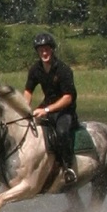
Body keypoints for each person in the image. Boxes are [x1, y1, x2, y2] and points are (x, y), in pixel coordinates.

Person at [24, 32, 79, 184]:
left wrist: (46, 110)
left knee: (61, 132)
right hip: (46, 106)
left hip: (65, 111)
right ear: (37, 52)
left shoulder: (63, 69)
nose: (44, 53)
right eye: (41, 50)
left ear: (52, 50)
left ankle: (68, 168)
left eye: (47, 49)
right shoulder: (35, 69)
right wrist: (25, 109)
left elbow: (68, 97)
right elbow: (28, 90)